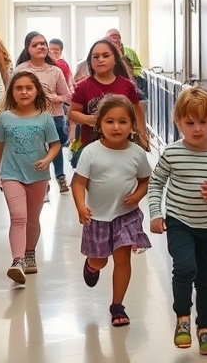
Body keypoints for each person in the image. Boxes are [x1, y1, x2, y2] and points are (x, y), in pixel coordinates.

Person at [149, 87, 207, 355]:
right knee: (184, 268)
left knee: (206, 277)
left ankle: (205, 328)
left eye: (203, 122)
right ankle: (182, 318)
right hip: (179, 222)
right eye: (189, 123)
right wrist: (156, 213)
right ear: (178, 121)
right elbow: (156, 183)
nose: (196, 129)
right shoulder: (172, 153)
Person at [71, 94, 151, 326]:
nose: (116, 127)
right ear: (99, 125)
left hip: (126, 216)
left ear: (132, 126)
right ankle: (91, 265)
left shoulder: (136, 153)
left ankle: (117, 306)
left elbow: (145, 179)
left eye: (123, 122)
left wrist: (138, 194)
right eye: (110, 121)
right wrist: (80, 206)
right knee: (101, 261)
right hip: (97, 218)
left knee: (123, 259)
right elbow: (78, 183)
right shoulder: (91, 152)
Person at [0, 71, 60, 284]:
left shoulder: (45, 118)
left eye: (28, 88)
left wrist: (47, 160)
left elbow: (55, 145)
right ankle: (17, 261)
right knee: (18, 217)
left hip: (38, 176)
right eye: (18, 88)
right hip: (11, 175)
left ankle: (30, 252)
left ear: (36, 91)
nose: (23, 92)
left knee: (32, 220)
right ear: (12, 92)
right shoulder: (5, 118)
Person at [68, 38, 149, 167]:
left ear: (115, 59)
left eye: (106, 55)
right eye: (96, 57)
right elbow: (72, 113)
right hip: (92, 147)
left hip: (123, 145)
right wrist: (88, 119)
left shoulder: (127, 85)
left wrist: (143, 138)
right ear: (90, 61)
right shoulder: (83, 86)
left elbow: (137, 111)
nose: (101, 59)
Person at [15, 32, 71, 193]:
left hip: (54, 116)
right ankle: (41, 180)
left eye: (43, 44)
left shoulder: (55, 71)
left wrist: (55, 97)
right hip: (30, 117)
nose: (40, 47)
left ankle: (60, 177)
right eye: (35, 44)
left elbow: (67, 96)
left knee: (56, 147)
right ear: (28, 49)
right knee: (36, 149)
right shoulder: (22, 70)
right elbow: (12, 95)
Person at [106, 29, 148, 105]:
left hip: (134, 78)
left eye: (117, 37)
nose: (115, 40)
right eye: (112, 38)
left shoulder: (129, 51)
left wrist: (120, 54)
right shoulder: (104, 51)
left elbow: (136, 67)